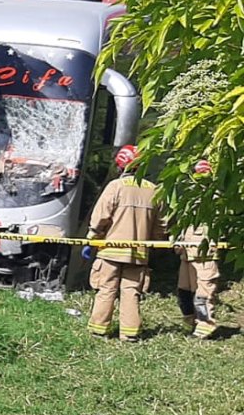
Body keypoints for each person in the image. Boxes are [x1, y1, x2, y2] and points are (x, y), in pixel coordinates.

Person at [83, 145, 165, 342]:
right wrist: (154, 244)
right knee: (131, 292)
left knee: (106, 288)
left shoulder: (115, 187)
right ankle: (129, 333)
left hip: (110, 251)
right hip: (139, 254)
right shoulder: (154, 190)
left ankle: (99, 329)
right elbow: (162, 225)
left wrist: (92, 238)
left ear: (120, 165)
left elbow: (101, 216)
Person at [175, 159, 220, 339]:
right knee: (184, 292)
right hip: (187, 254)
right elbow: (182, 223)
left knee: (203, 293)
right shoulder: (188, 196)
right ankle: (191, 322)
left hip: (204, 255)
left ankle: (205, 326)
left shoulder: (215, 198)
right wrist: (178, 241)